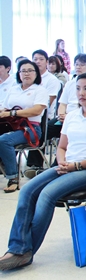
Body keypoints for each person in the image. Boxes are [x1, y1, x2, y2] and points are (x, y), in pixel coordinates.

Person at [0, 72, 86, 271]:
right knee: (27, 191)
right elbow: (62, 147)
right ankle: (17, 248)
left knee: (47, 194)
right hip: (67, 166)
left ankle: (26, 252)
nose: (81, 93)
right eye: (78, 89)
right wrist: (62, 162)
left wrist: (76, 166)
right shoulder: (72, 116)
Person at [0, 60, 49, 193]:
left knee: (3, 140)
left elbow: (36, 111)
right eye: (23, 71)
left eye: (30, 70)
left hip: (31, 129)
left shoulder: (40, 90)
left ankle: (13, 178)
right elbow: (4, 108)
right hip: (11, 126)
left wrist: (13, 113)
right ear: (19, 74)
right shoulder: (14, 89)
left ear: (36, 73)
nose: (26, 73)